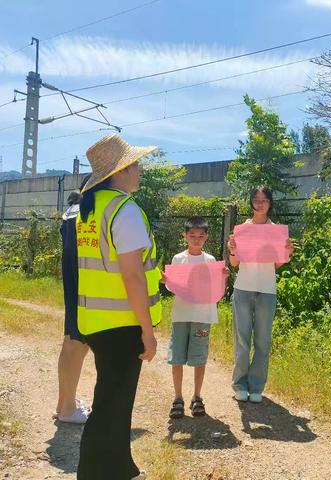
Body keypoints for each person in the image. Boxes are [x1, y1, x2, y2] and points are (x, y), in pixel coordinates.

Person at [76, 134, 161, 480]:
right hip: (122, 324)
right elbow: (133, 277)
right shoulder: (124, 210)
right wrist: (147, 331)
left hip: (96, 321)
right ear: (121, 171)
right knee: (112, 403)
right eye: (135, 164)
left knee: (114, 399)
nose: (140, 170)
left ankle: (119, 466)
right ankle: (97, 472)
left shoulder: (91, 209)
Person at [227, 186, 294, 403]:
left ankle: (256, 386)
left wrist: (287, 253)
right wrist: (232, 248)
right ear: (251, 202)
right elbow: (234, 263)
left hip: (266, 289)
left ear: (270, 202)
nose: (260, 203)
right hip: (243, 288)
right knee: (242, 340)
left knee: (263, 341)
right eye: (256, 199)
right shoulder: (242, 229)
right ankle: (239, 384)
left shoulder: (276, 230)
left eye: (264, 199)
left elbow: (276, 264)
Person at [162, 216, 228, 419]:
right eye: (192, 236)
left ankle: (197, 396)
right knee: (177, 357)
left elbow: (218, 292)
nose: (196, 239)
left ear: (207, 237)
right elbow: (172, 286)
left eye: (201, 236)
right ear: (185, 236)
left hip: (203, 315)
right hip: (181, 314)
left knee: (199, 357)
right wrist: (167, 280)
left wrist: (223, 278)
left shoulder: (210, 261)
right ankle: (178, 397)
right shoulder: (178, 259)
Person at [55, 175, 91, 424]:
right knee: (77, 344)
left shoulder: (71, 210)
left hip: (72, 281)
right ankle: (68, 410)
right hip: (85, 282)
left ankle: (64, 404)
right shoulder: (87, 211)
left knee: (70, 343)